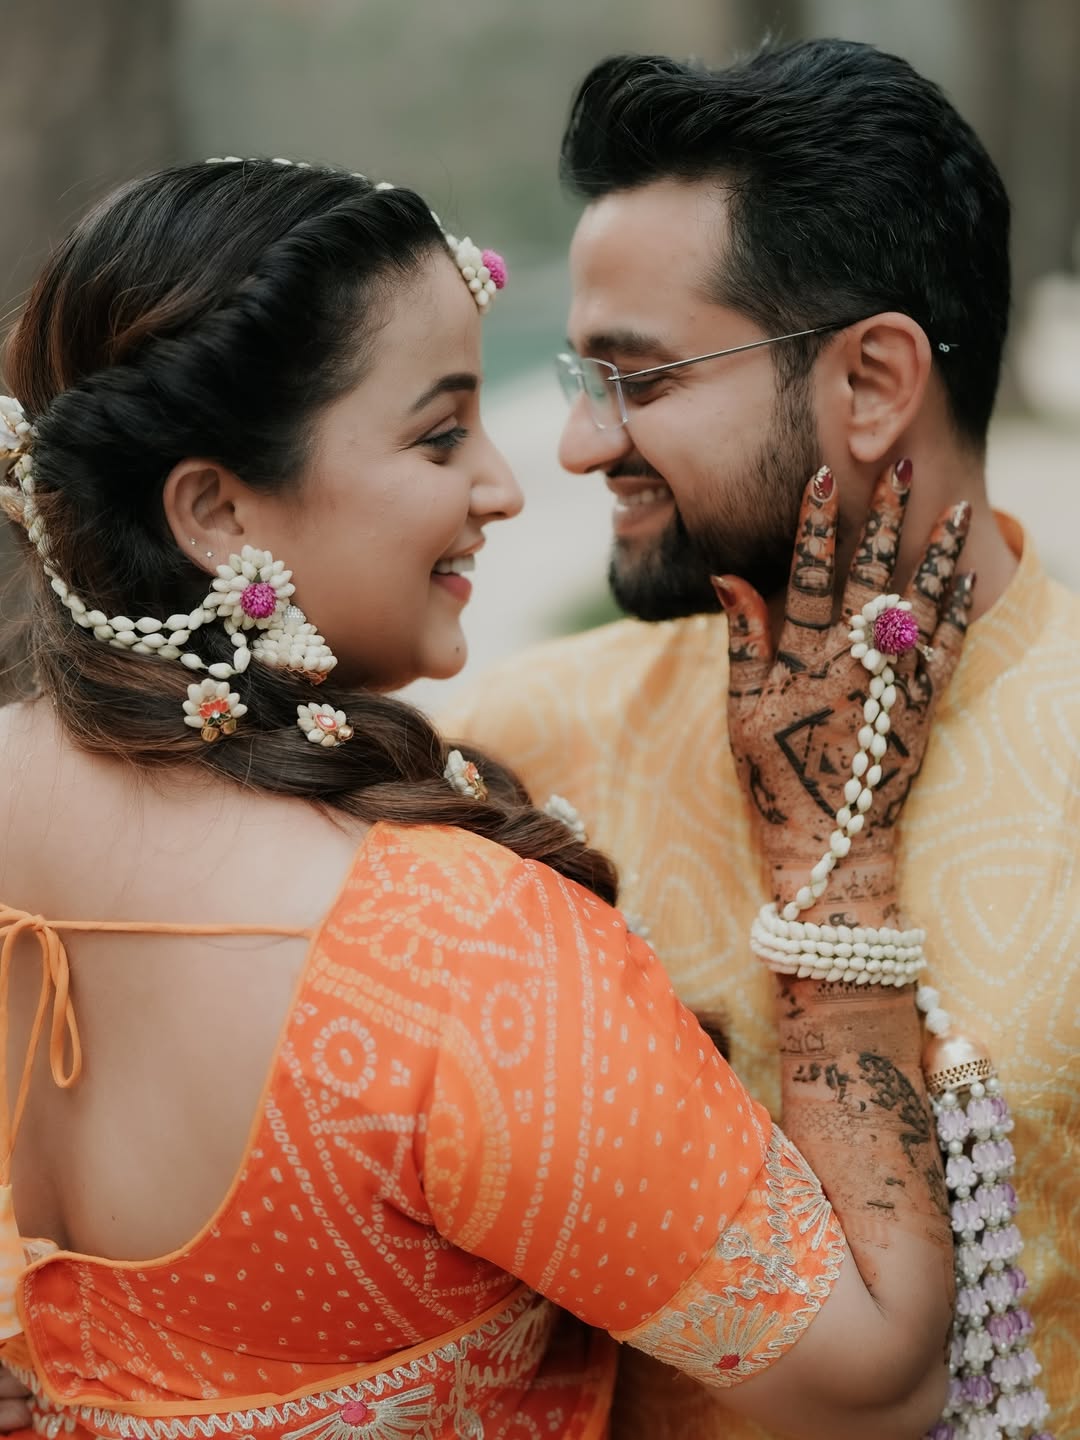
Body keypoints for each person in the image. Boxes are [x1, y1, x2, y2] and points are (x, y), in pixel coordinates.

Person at [0, 159, 972, 1440]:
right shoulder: (451, 948)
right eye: (439, 433)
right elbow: (873, 1387)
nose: (510, 484)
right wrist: (834, 857)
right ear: (216, 512)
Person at [441, 40, 1078, 1440]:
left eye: (640, 378)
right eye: (581, 376)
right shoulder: (515, 747)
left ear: (871, 382)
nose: (578, 447)